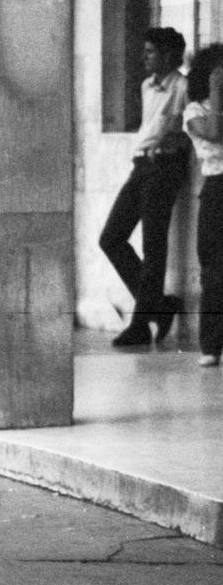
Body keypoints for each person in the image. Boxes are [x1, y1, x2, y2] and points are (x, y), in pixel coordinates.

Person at [99, 27, 191, 347]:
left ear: (168, 55)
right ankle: (160, 306)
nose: (144, 57)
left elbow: (186, 129)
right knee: (111, 238)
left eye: (150, 52)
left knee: (153, 246)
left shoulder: (183, 86)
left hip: (165, 167)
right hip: (140, 165)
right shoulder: (146, 86)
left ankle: (141, 324)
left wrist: (169, 141)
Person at [181, 44, 223, 367]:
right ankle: (211, 344)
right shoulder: (194, 111)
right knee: (213, 269)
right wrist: (215, 91)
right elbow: (214, 132)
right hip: (216, 189)